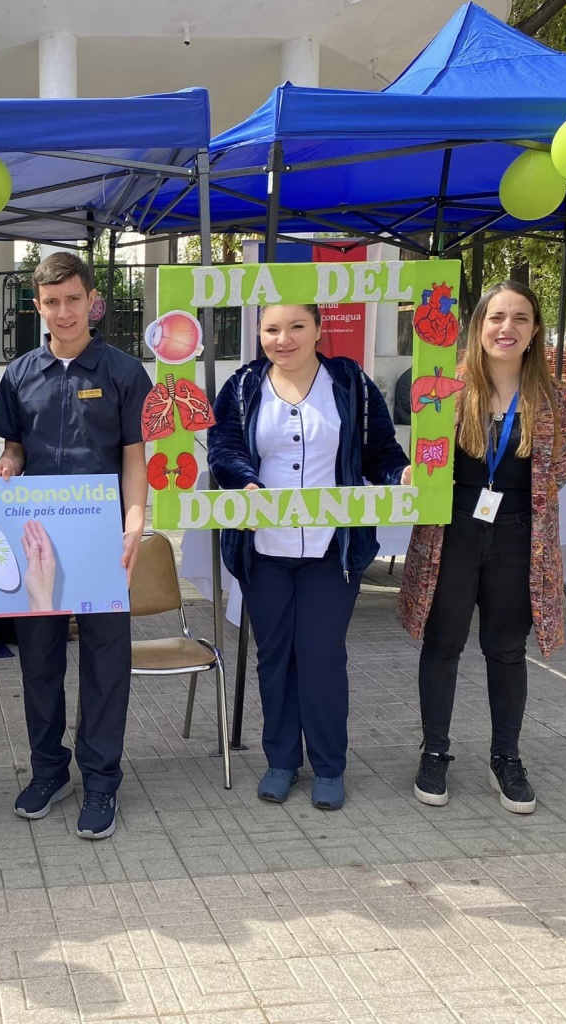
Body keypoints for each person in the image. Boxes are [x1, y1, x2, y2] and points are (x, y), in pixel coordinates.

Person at [207, 303, 410, 811]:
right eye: (272, 328)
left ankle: (328, 765)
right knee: (274, 656)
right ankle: (280, 760)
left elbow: (379, 448)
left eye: (297, 327)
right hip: (264, 550)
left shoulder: (350, 382)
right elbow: (223, 447)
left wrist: (399, 473)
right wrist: (244, 481)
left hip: (331, 550)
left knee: (320, 654)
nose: (284, 338)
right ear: (259, 332)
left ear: (319, 329)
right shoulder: (242, 386)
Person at [399, 280, 566, 814]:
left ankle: (506, 757)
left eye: (520, 318)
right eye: (496, 317)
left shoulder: (557, 400)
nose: (507, 328)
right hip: (452, 530)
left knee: (505, 649)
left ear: (535, 331)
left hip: (519, 535)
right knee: (443, 643)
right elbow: (428, 454)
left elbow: (559, 471)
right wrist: (416, 470)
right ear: (477, 327)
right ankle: (435, 751)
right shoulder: (443, 389)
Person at [0, 251, 149, 840]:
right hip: (38, 542)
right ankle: (47, 770)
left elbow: (135, 460)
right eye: (52, 303)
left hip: (104, 543)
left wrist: (135, 521)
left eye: (73, 300)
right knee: (39, 662)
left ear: (92, 301)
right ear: (38, 306)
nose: (63, 312)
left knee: (107, 664)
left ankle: (102, 780)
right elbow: (15, 451)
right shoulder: (20, 374)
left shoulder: (125, 373)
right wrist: (6, 465)